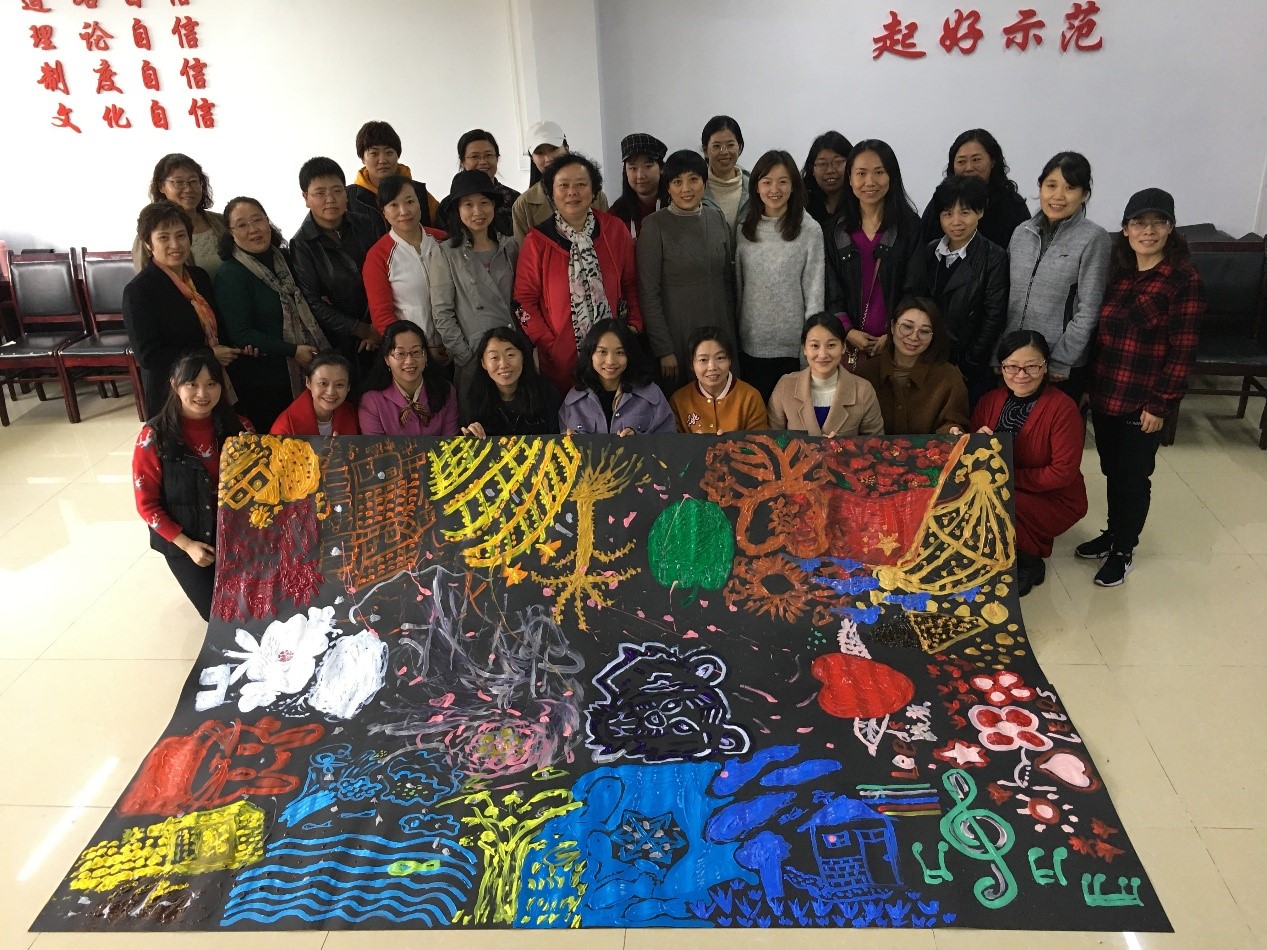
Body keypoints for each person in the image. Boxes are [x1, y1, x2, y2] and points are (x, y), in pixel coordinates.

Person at [1080, 188, 1203, 587]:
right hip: (1107, 393)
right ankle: (1113, 533)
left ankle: (1124, 549)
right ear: (1126, 229)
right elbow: (1101, 336)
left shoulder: (1183, 280)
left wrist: (1160, 403)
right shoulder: (1119, 273)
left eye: (1157, 223)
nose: (1148, 231)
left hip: (1143, 400)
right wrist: (1088, 386)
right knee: (1111, 470)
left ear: (1170, 228)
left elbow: (1183, 350)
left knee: (1133, 477)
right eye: (1139, 223)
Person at [132, 352, 250, 621]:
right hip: (187, 538)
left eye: (211, 384)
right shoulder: (154, 437)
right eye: (192, 384)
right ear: (175, 385)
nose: (202, 394)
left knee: (259, 600)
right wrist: (187, 545)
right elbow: (146, 505)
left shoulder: (240, 427)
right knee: (217, 613)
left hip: (235, 533)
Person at [514, 152, 643, 394]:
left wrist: (633, 326)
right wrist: (550, 343)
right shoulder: (537, 241)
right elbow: (523, 300)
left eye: (581, 184)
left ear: (594, 191)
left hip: (614, 352)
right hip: (560, 359)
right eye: (563, 185)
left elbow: (631, 283)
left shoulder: (614, 230)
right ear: (551, 193)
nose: (572, 192)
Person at [972, 331, 1088, 596]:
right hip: (1005, 486)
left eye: (1032, 366)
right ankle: (1001, 551)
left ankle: (1029, 562)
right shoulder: (990, 401)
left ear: (1045, 366)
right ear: (1001, 367)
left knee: (997, 504)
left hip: (1056, 496)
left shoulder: (1062, 408)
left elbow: (1062, 472)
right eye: (1012, 366)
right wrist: (976, 443)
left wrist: (1007, 480)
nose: (1021, 375)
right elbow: (973, 453)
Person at [215, 197, 330, 433]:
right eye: (242, 224)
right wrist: (293, 351)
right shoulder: (230, 274)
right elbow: (241, 334)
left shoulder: (286, 259)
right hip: (265, 378)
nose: (253, 229)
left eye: (258, 220)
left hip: (309, 363)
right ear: (230, 233)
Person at [1004, 151, 1111, 403]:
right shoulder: (1021, 232)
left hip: (1060, 364)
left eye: (1070, 188)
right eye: (1051, 185)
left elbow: (1090, 308)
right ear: (1040, 187)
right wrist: (1001, 351)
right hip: (1015, 360)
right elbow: (1004, 296)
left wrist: (1062, 359)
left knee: (1055, 425)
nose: (1058, 196)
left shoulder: (1094, 239)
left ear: (1084, 194)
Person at [123, 201, 243, 418]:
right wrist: (209, 354)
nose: (175, 244)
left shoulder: (199, 277)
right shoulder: (139, 291)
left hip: (211, 382)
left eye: (181, 235)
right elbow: (148, 356)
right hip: (171, 391)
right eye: (163, 238)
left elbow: (217, 327)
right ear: (148, 243)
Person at [904, 174, 1009, 407]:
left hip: (969, 367)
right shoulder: (930, 251)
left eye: (965, 212)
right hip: (927, 358)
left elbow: (993, 317)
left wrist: (966, 366)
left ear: (980, 212)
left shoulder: (994, 257)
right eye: (947, 214)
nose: (956, 221)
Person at [638, 149, 736, 389]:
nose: (686, 189)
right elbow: (648, 293)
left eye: (693, 179)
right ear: (668, 187)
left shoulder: (716, 218)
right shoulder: (654, 226)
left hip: (719, 325)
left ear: (704, 182)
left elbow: (727, 281)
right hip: (678, 332)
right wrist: (664, 349)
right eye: (677, 182)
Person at [734, 149, 825, 402]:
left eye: (783, 181)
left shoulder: (810, 231)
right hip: (751, 345)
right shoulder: (744, 230)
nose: (774, 189)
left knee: (792, 418)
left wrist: (811, 346)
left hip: (793, 347)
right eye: (767, 182)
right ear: (756, 187)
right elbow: (739, 289)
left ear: (793, 186)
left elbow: (815, 294)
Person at [431, 170, 520, 417]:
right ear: (457, 210)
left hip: (512, 353)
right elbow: (442, 312)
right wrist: (466, 355)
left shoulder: (511, 246)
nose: (477, 212)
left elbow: (522, 301)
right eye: (468, 204)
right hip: (474, 356)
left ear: (494, 205)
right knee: (477, 425)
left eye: (484, 203)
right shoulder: (446, 253)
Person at [826, 139, 923, 365]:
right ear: (850, 178)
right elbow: (830, 290)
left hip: (897, 343)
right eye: (861, 173)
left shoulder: (909, 228)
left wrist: (895, 333)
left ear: (891, 176)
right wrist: (847, 330)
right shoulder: (834, 231)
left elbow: (915, 287)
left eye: (879, 172)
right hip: (846, 347)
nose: (870, 182)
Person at [289, 156, 383, 385]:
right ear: (306, 198)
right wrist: (361, 330)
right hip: (341, 341)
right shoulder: (302, 243)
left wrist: (376, 325)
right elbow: (312, 301)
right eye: (320, 193)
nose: (330, 199)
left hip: (381, 326)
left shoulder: (366, 223)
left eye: (337, 190)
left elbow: (385, 273)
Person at [362, 175, 450, 380]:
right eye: (394, 205)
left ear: (419, 203)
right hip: (412, 359)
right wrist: (421, 350)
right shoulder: (378, 256)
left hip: (456, 347)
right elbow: (382, 317)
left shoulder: (443, 241)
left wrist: (454, 343)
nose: (404, 211)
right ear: (384, 212)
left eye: (410, 201)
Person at [856, 297, 970, 435]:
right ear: (892, 326)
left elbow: (955, 423)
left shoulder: (948, 376)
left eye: (924, 331)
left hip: (930, 449)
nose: (914, 337)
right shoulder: (866, 373)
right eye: (907, 327)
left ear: (933, 336)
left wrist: (951, 430)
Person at [767, 313, 883, 437]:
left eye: (831, 345)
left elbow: (876, 443)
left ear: (843, 347)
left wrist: (844, 445)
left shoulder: (863, 391)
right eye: (815, 346)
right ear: (804, 348)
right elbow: (771, 440)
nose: (822, 354)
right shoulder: (785, 387)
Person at [559, 318, 675, 435]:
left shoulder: (650, 395)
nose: (610, 361)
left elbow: (668, 440)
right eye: (602, 352)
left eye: (620, 352)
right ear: (590, 354)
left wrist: (638, 439)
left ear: (630, 355)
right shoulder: (574, 400)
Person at [919, 129, 1031, 247]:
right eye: (961, 161)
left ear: (992, 161)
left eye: (976, 160)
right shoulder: (942, 201)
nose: (969, 168)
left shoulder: (1013, 205)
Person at [131, 153, 227, 279]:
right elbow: (146, 283)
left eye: (193, 181)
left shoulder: (222, 222)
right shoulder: (151, 233)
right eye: (178, 182)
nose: (188, 189)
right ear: (161, 186)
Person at [511, 121, 609, 240]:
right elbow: (524, 249)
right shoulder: (523, 205)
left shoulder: (596, 196)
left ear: (566, 148)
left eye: (554, 149)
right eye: (539, 153)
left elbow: (608, 238)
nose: (548, 158)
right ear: (532, 158)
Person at [358, 321, 458, 436]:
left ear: (426, 355)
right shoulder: (371, 401)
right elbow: (375, 446)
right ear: (386, 359)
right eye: (400, 354)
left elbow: (450, 442)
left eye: (416, 352)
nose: (409, 361)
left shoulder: (445, 391)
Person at [460, 326, 561, 437]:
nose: (503, 364)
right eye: (494, 357)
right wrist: (471, 438)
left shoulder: (545, 393)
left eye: (510, 355)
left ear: (523, 357)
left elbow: (557, 437)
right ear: (483, 363)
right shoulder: (475, 398)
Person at [346, 120, 441, 231]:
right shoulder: (348, 197)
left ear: (398, 155)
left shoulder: (419, 192)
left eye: (389, 152)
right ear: (362, 158)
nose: (382, 160)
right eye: (374, 153)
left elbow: (444, 228)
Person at [670, 327, 766, 434]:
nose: (712, 367)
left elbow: (758, 440)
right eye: (703, 360)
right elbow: (673, 442)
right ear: (692, 364)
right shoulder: (678, 400)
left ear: (730, 360)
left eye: (720, 358)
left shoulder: (751, 397)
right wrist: (693, 442)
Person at [437, 129, 520, 236]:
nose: (483, 162)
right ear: (462, 161)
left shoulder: (515, 200)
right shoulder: (449, 205)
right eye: (475, 156)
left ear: (497, 158)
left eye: (488, 155)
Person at [270, 351, 360, 436]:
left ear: (348, 387)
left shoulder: (352, 414)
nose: (330, 392)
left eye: (339, 385)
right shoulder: (285, 427)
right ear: (308, 382)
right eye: (323, 383)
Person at [608, 133, 668, 239]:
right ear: (625, 172)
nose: (640, 176)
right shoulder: (615, 215)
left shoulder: (675, 207)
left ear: (661, 168)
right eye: (633, 168)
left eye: (647, 166)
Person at [700, 115, 749, 230]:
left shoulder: (755, 186)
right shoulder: (696, 188)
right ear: (706, 150)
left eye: (730, 145)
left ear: (739, 147)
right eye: (716, 146)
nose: (724, 152)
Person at [802, 131, 854, 228]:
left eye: (838, 162)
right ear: (812, 169)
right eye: (822, 164)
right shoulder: (802, 204)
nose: (830, 170)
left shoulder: (861, 202)